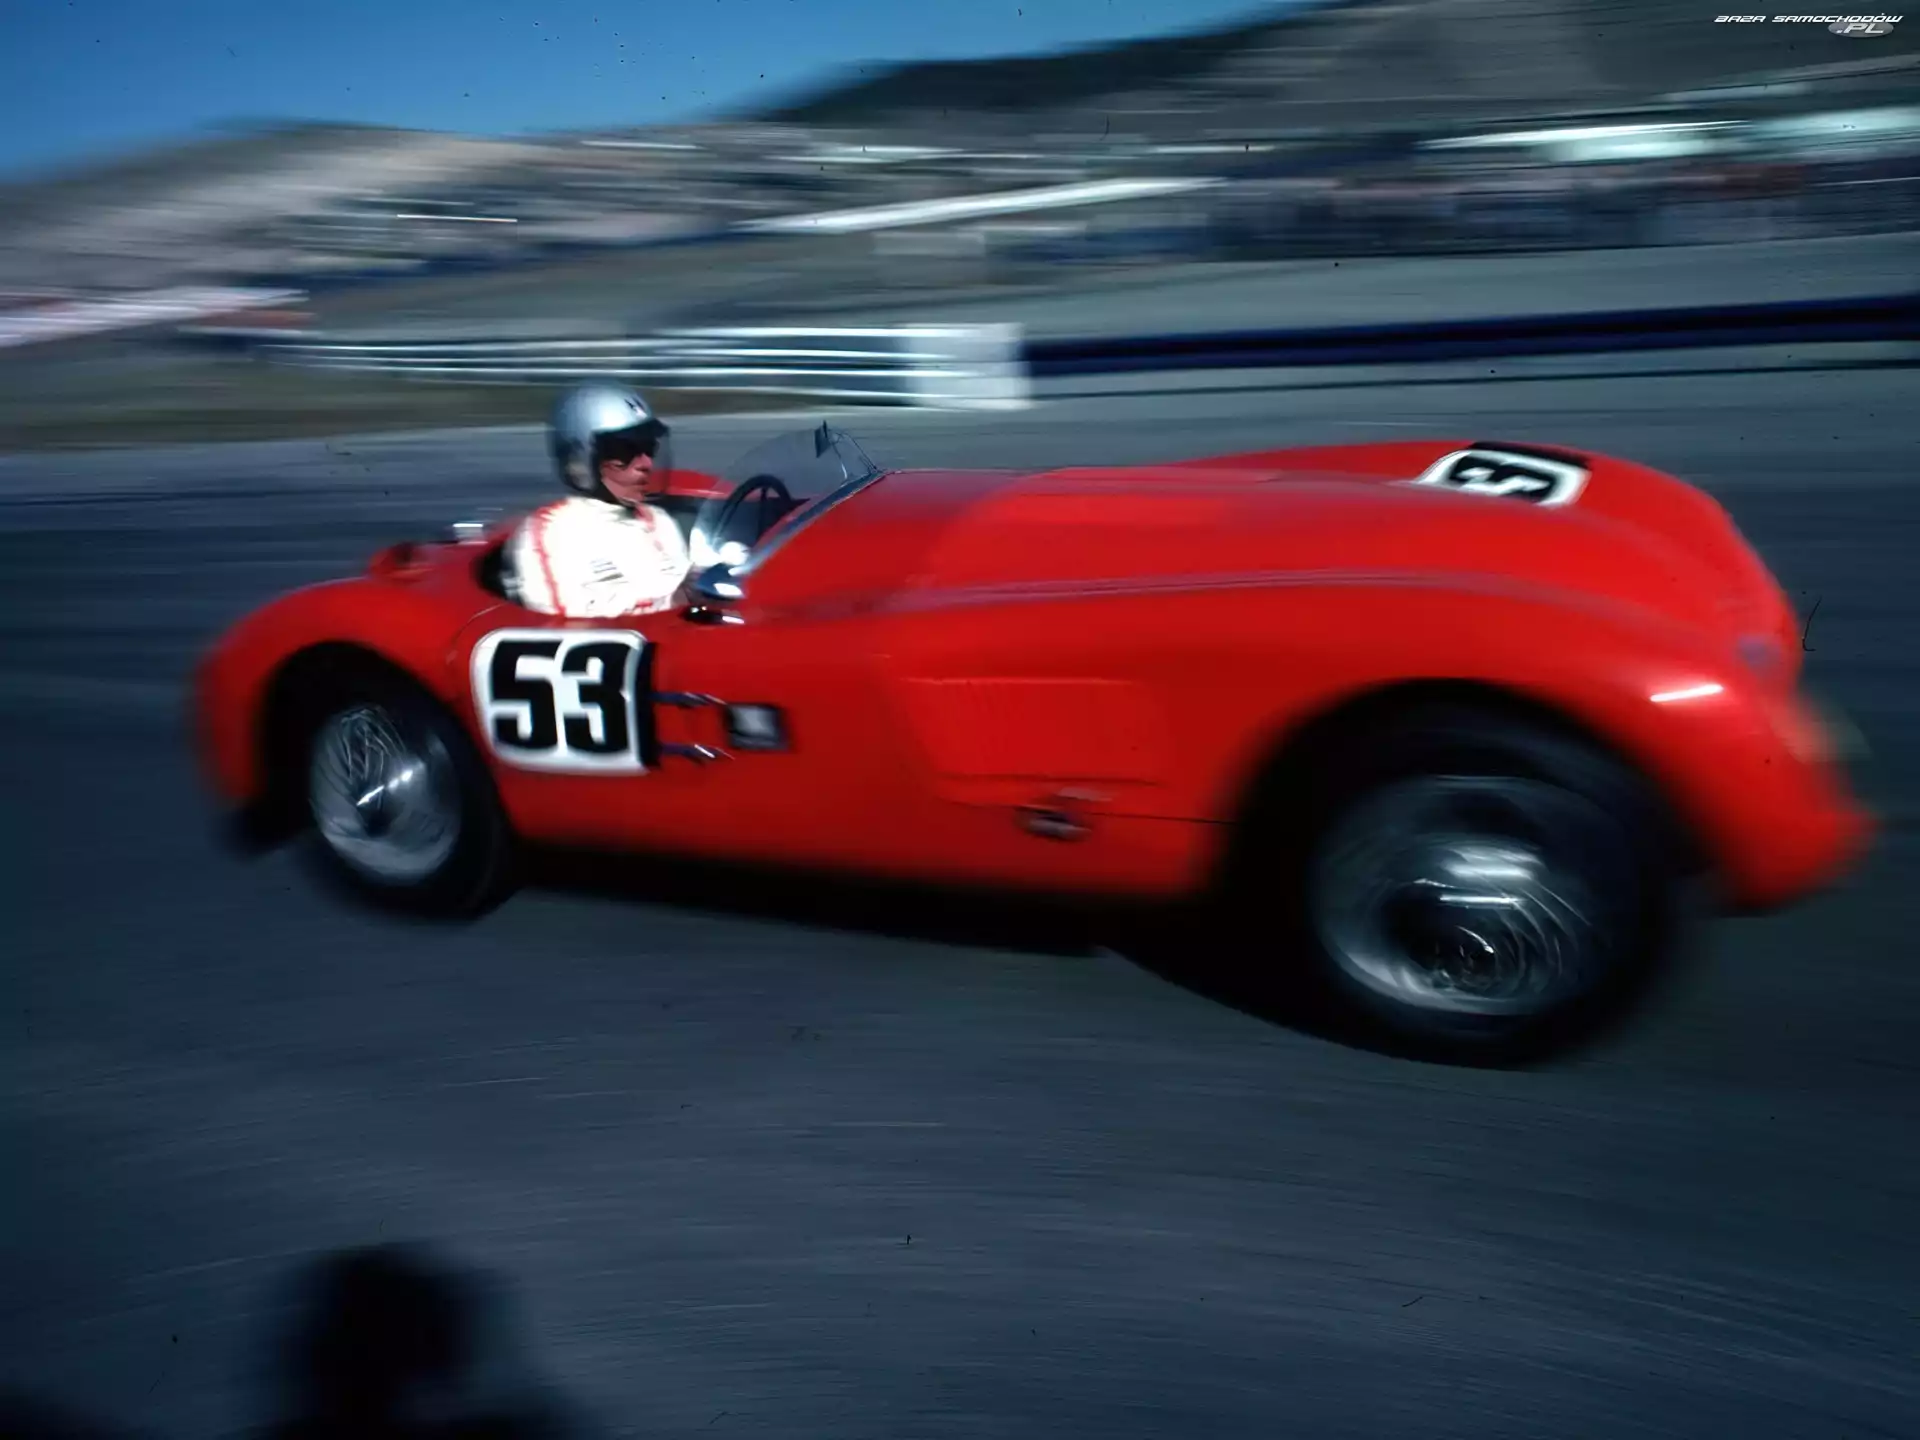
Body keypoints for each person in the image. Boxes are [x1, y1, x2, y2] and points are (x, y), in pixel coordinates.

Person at [502, 382, 692, 618]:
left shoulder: (660, 521)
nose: (646, 464)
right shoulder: (549, 531)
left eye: (649, 448)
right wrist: (673, 601)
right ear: (579, 461)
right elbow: (561, 618)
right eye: (626, 452)